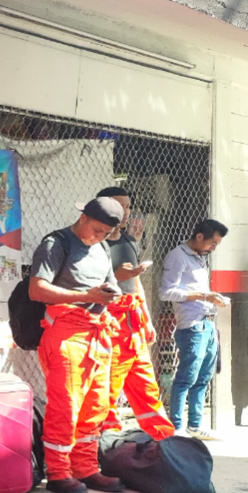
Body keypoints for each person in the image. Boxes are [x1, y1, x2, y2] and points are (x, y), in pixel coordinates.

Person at [28, 198, 127, 493]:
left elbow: (109, 284)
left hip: (97, 333)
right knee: (66, 406)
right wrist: (86, 294)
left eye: (106, 233)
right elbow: (36, 289)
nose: (99, 237)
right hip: (65, 333)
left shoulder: (103, 248)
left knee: (95, 404)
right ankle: (58, 472)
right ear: (82, 217)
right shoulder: (55, 243)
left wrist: (112, 292)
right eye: (96, 230)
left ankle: (85, 467)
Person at [98, 186, 175, 440]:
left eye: (128, 207)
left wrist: (147, 320)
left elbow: (136, 284)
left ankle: (163, 440)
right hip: (108, 323)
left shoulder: (130, 241)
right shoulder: (93, 245)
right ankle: (107, 444)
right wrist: (116, 278)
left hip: (134, 324)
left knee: (146, 385)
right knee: (107, 388)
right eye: (119, 207)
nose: (125, 213)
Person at [159, 219, 229, 438]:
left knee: (203, 377)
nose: (213, 248)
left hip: (207, 322)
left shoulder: (200, 258)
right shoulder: (177, 256)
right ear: (199, 237)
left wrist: (212, 298)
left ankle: (195, 425)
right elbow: (165, 292)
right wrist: (203, 296)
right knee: (186, 377)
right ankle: (177, 427)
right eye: (213, 243)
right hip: (191, 326)